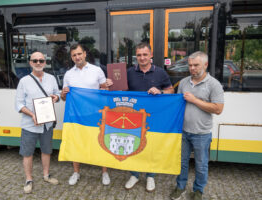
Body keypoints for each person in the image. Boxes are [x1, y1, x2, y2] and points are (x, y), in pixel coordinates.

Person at [108, 42, 174, 192]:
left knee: (151, 146)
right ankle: (135, 174)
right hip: (134, 118)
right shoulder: (129, 72)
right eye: (139, 55)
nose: (142, 58)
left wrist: (161, 92)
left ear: (151, 55)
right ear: (136, 56)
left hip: (154, 117)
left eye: (145, 54)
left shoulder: (161, 73)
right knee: (134, 145)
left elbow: (170, 90)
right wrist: (109, 85)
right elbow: (120, 91)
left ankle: (150, 176)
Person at [170, 51, 224, 200]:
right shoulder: (183, 82)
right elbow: (177, 104)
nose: (192, 68)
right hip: (184, 132)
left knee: (201, 166)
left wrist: (195, 100)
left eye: (196, 65)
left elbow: (218, 109)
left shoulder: (214, 84)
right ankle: (180, 187)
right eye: (190, 65)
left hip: (202, 134)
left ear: (205, 65)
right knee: (181, 163)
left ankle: (198, 190)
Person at [60, 43, 111, 186]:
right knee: (76, 143)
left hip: (95, 114)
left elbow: (104, 91)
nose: (77, 57)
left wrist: (108, 85)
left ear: (85, 54)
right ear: (71, 57)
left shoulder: (97, 70)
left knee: (101, 142)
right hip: (76, 115)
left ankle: (105, 172)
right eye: (74, 55)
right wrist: (63, 94)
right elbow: (64, 97)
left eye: (79, 54)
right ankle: (76, 172)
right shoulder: (68, 74)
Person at [15, 52, 60, 194]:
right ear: (30, 63)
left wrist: (56, 97)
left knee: (46, 151)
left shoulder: (51, 78)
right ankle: (29, 179)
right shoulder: (24, 81)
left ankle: (46, 175)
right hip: (30, 125)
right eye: (35, 60)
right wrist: (32, 115)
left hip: (47, 123)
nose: (38, 63)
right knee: (27, 153)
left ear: (45, 62)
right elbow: (18, 104)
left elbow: (57, 94)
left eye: (41, 60)